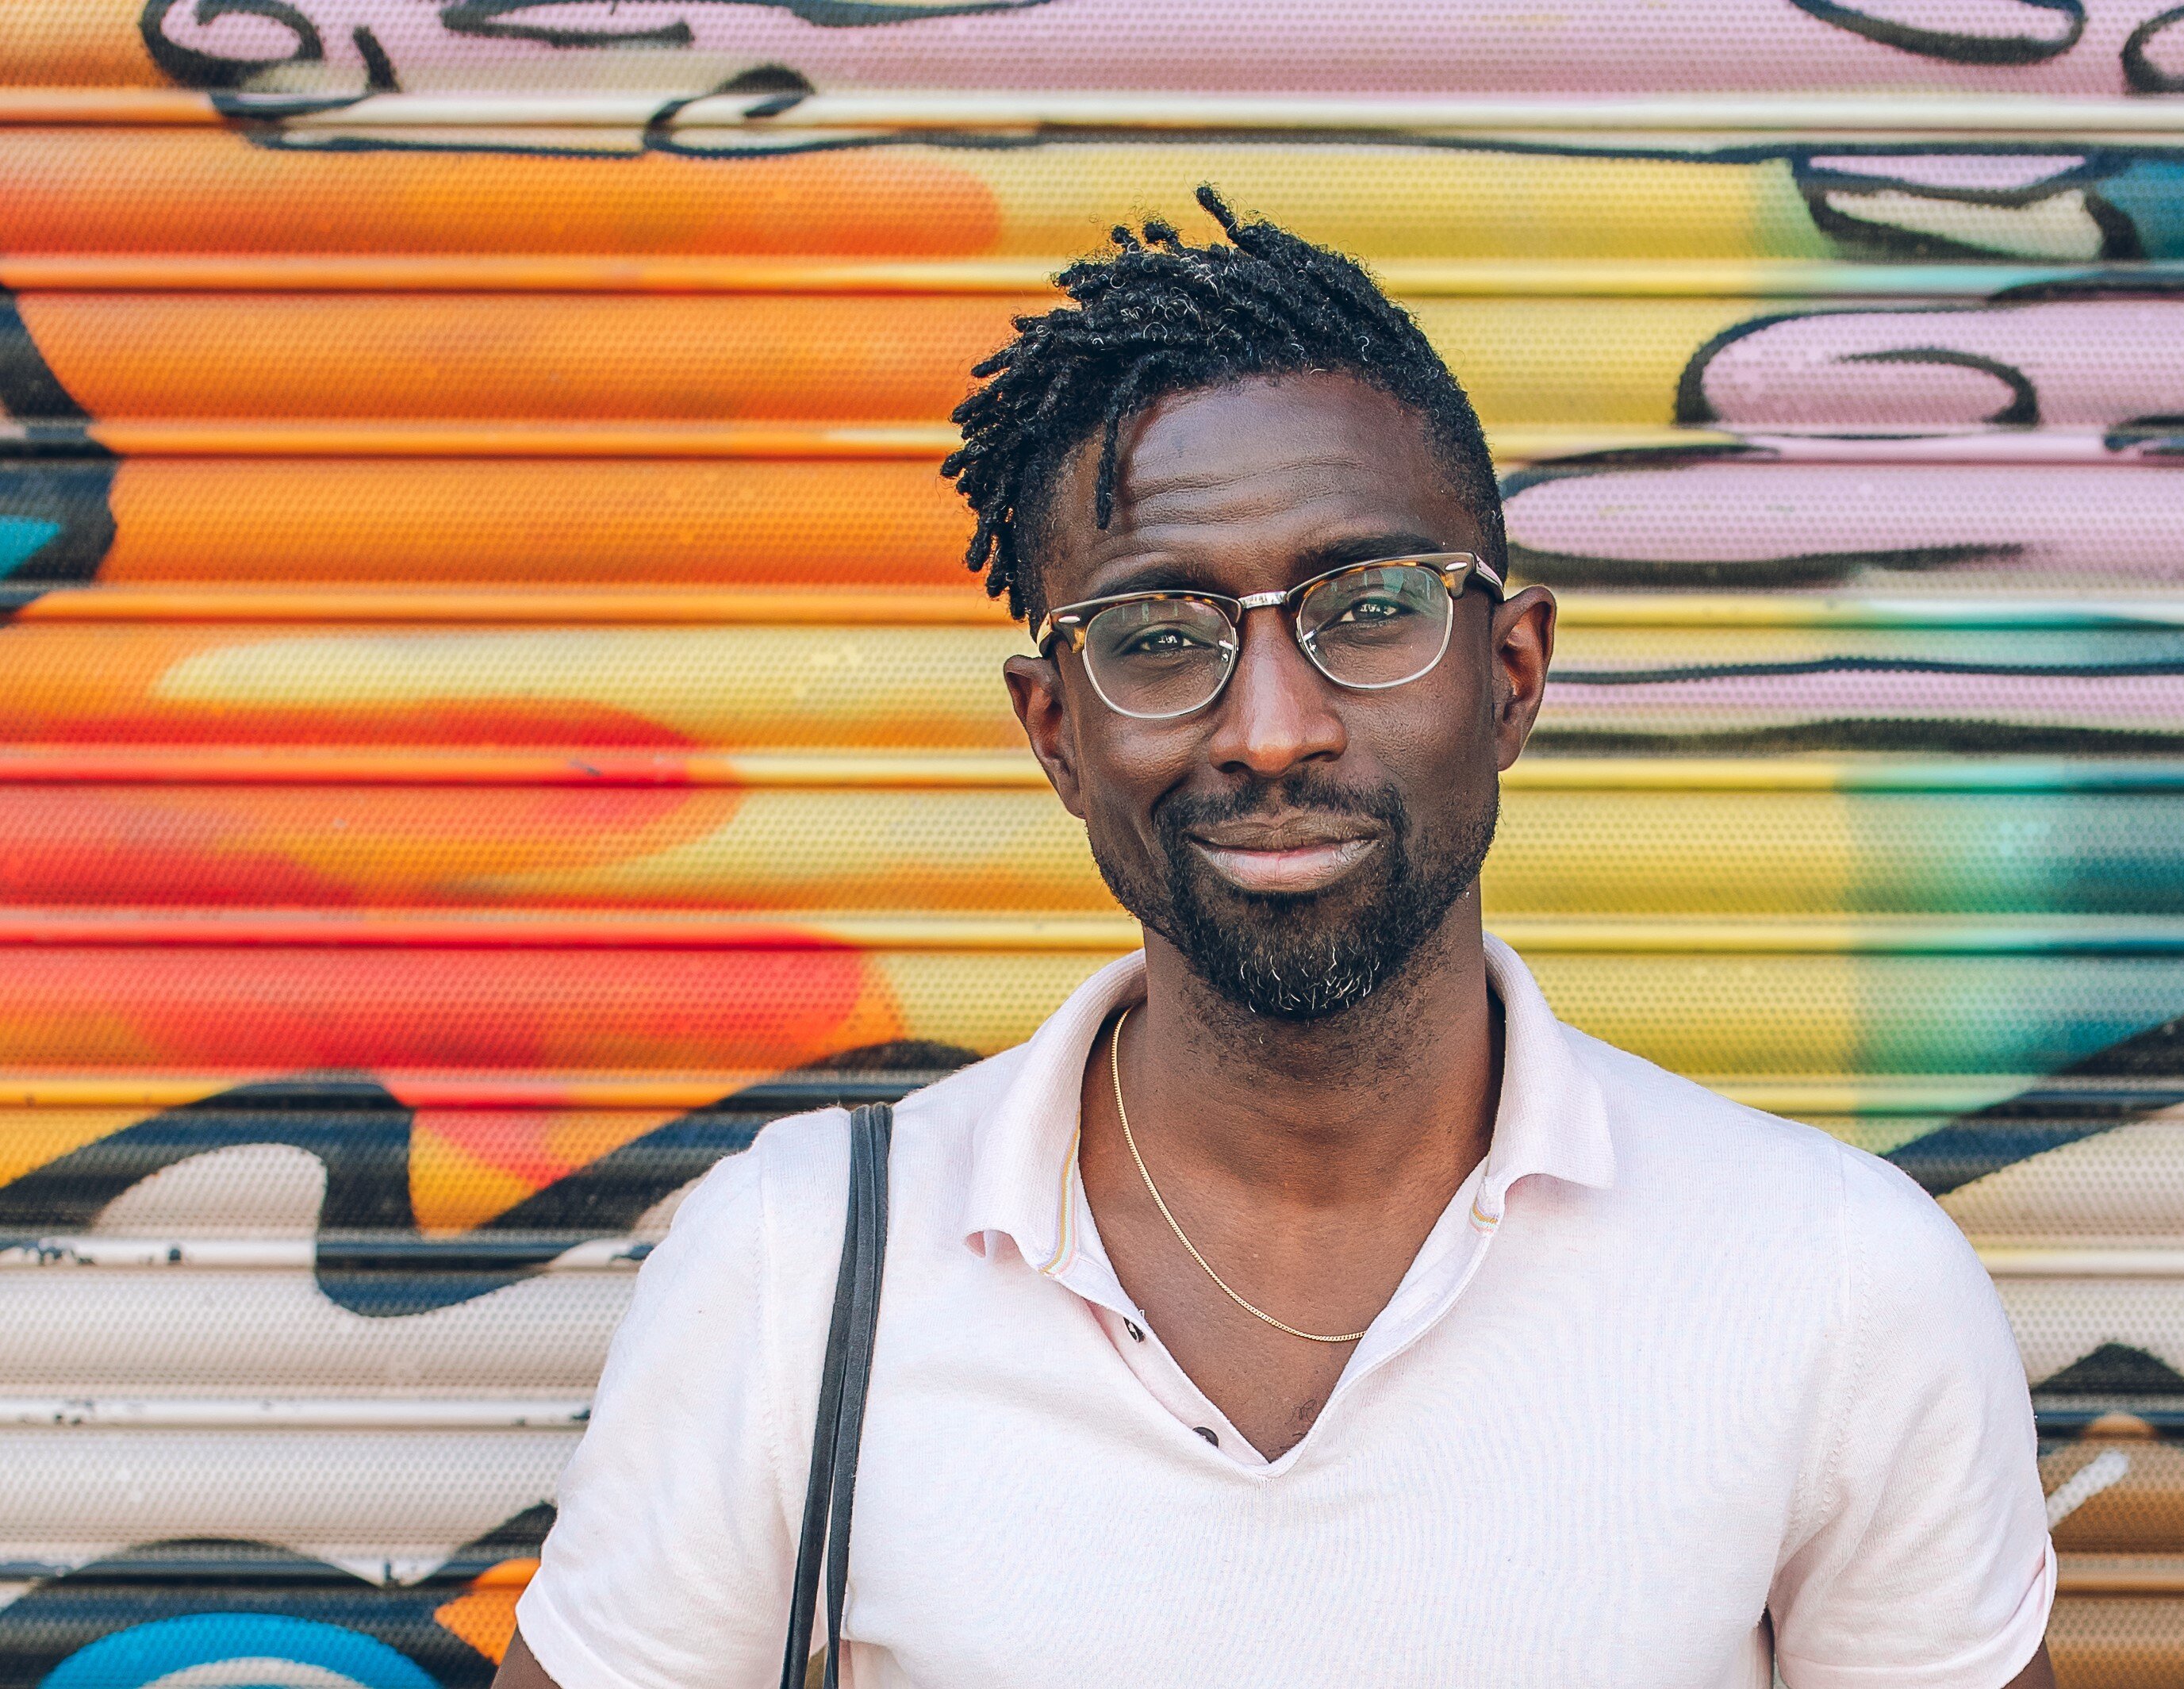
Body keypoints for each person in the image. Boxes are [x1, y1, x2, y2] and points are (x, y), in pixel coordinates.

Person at [493, 189, 2056, 1689]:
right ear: (1055, 733)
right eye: (1157, 637)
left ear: (1509, 673)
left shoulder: (1835, 1284)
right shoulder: (799, 1269)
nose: (1274, 729)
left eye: (1369, 609)